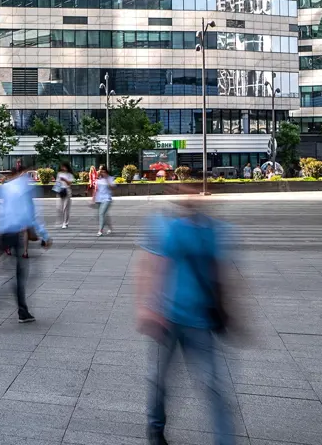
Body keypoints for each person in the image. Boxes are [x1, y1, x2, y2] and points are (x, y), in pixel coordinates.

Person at [136, 190, 236, 445]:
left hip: (200, 320)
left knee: (212, 385)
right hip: (167, 319)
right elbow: (153, 267)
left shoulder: (215, 230)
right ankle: (155, 428)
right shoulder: (170, 228)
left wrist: (226, 310)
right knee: (159, 381)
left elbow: (219, 273)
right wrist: (149, 308)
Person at [0, 166, 51, 323]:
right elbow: (31, 216)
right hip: (16, 234)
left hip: (3, 234)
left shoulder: (5, 188)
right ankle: (22, 311)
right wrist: (45, 236)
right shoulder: (26, 189)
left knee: (14, 271)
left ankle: (16, 299)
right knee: (21, 276)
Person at [94, 167, 116, 236]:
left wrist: (107, 180)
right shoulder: (99, 179)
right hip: (99, 199)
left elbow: (112, 188)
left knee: (101, 213)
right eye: (101, 172)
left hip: (107, 199)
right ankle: (110, 227)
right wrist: (93, 198)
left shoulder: (110, 178)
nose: (102, 173)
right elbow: (96, 189)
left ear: (106, 172)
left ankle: (100, 230)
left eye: (104, 172)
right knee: (103, 215)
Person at [54, 164, 74, 229]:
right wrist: (57, 190)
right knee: (60, 207)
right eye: (62, 167)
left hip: (67, 191)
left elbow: (70, 184)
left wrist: (65, 180)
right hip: (60, 191)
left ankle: (65, 222)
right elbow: (57, 183)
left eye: (64, 167)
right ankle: (62, 221)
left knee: (65, 208)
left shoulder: (70, 175)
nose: (63, 168)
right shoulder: (59, 174)